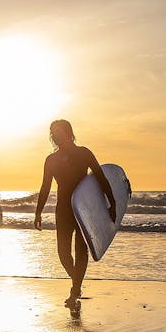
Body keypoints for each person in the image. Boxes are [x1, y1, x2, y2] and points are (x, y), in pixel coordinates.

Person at [34, 119, 116, 307]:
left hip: (84, 209)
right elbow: (45, 187)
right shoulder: (51, 160)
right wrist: (38, 212)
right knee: (63, 253)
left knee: (81, 250)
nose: (55, 136)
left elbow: (101, 178)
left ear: (69, 133)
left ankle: (74, 290)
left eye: (59, 132)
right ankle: (76, 282)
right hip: (63, 209)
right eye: (53, 133)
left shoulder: (84, 153)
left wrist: (113, 203)